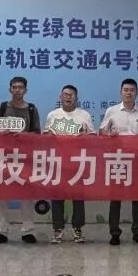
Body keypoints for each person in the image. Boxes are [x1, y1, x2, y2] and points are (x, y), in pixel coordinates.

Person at [0, 76, 42, 245]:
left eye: (20, 87)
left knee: (26, 196)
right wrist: (2, 134)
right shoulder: (2, 107)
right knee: (2, 196)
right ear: (10, 89)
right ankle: (1, 231)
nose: (17, 90)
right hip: (4, 157)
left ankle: (28, 231)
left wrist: (24, 135)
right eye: (14, 87)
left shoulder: (32, 109)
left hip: (25, 158)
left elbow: (37, 134)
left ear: (26, 90)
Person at [100, 78, 138, 245]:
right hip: (117, 160)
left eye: (132, 90)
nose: (129, 93)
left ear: (137, 92)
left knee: (137, 197)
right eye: (126, 90)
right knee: (116, 197)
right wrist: (109, 135)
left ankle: (137, 231)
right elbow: (102, 131)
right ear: (121, 92)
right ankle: (114, 232)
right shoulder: (112, 111)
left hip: (136, 160)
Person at [45, 84, 96, 244]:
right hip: (58, 161)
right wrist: (50, 135)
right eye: (65, 94)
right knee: (57, 196)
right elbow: (45, 137)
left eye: (71, 94)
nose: (68, 97)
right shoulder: (53, 115)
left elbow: (93, 136)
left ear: (76, 97)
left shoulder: (84, 115)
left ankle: (77, 228)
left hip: (78, 162)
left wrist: (82, 137)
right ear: (60, 97)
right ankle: (57, 229)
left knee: (78, 197)